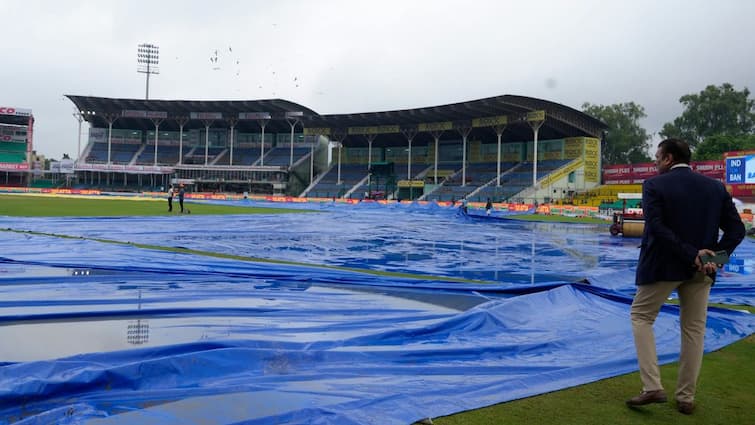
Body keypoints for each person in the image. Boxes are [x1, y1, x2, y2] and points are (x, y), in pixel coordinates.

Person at [626, 138, 745, 415]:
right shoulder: (715, 188)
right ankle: (686, 397)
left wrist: (691, 253)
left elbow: (656, 227)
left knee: (641, 317)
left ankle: (652, 386)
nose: (655, 162)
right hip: (703, 270)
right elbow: (737, 231)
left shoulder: (654, 185)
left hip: (663, 267)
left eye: (657, 157)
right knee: (694, 331)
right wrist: (712, 259)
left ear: (668, 158)